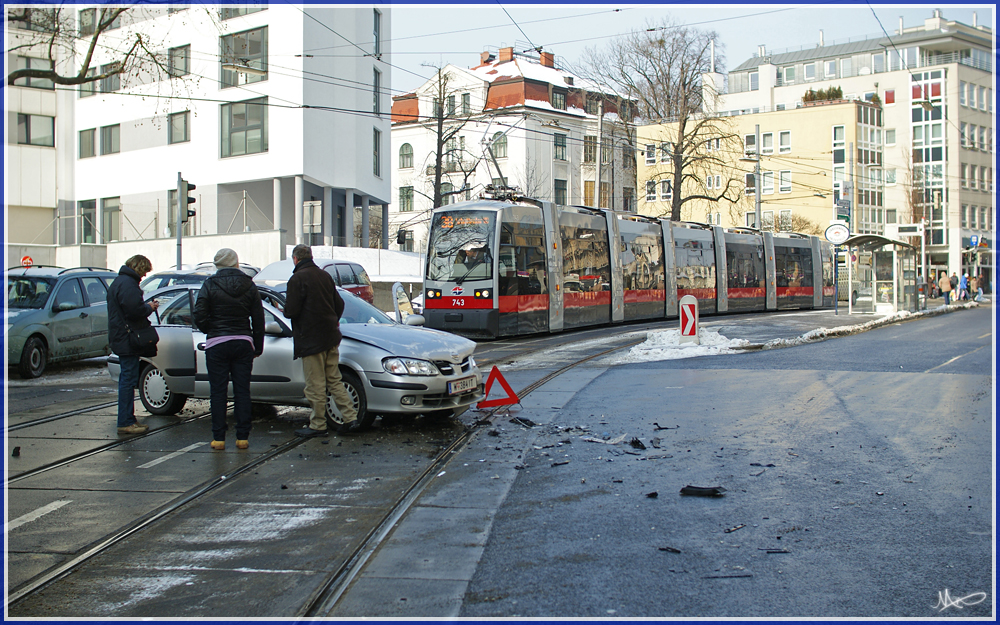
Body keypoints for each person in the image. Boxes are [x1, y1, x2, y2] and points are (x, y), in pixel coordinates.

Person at [283, 244, 359, 437]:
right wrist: (332, 320)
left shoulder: (297, 279)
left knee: (315, 384)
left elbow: (290, 311)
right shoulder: (325, 276)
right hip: (331, 337)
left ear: (295, 259)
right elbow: (339, 303)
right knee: (334, 379)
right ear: (310, 256)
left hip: (311, 340)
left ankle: (318, 424)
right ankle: (350, 417)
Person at [193, 248, 265, 450]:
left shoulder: (209, 284)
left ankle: (219, 438)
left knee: (218, 391)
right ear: (236, 263)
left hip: (217, 343)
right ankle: (242, 438)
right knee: (242, 390)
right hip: (243, 342)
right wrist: (257, 346)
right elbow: (258, 319)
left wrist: (211, 329)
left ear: (218, 265)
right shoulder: (249, 285)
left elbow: (199, 314)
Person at [107, 255, 159, 435]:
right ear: (139, 267)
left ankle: (128, 419)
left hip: (121, 336)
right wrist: (149, 308)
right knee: (128, 380)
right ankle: (125, 421)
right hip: (127, 338)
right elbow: (134, 311)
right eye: (144, 271)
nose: (144, 276)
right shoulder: (128, 284)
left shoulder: (120, 282)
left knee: (127, 379)